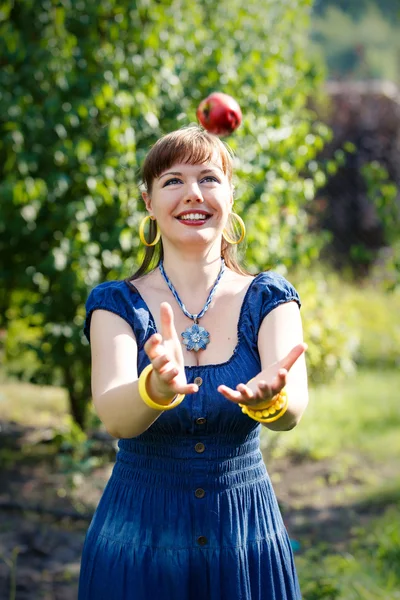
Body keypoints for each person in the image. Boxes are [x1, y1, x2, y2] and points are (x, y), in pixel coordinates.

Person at [78, 125, 308, 600]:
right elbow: (115, 416)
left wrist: (270, 400)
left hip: (245, 543)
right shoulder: (116, 304)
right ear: (148, 202)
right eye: (173, 181)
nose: (193, 194)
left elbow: (293, 409)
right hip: (139, 543)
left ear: (230, 195)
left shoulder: (269, 298)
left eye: (208, 178)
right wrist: (155, 390)